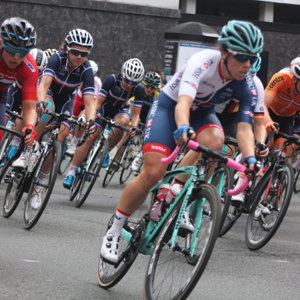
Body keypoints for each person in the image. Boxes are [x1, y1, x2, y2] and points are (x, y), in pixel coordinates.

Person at [100, 19, 264, 263]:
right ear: (226, 52)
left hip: (202, 113)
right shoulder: (203, 62)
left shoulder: (247, 81)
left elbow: (244, 126)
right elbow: (184, 102)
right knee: (153, 173)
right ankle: (115, 229)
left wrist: (250, 158)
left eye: (253, 58)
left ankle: (175, 190)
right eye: (243, 57)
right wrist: (184, 127)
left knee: (216, 140)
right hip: (170, 107)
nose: (248, 64)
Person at [13, 28, 96, 209]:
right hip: (49, 94)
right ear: (67, 49)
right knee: (48, 109)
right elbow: (44, 84)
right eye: (75, 52)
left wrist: (91, 121)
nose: (79, 57)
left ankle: (39, 186)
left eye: (84, 54)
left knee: (60, 135)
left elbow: (90, 102)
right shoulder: (57, 58)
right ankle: (27, 152)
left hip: (66, 100)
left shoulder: (87, 70)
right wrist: (41, 100)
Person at [63, 58, 145, 189]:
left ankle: (105, 152)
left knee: (123, 123)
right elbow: (98, 103)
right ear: (122, 75)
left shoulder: (139, 89)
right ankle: (71, 172)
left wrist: (134, 127)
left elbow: (135, 114)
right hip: (103, 107)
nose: (129, 85)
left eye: (133, 83)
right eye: (127, 81)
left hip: (120, 111)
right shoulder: (112, 79)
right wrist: (92, 117)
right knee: (92, 136)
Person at [0, 17, 38, 147]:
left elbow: (30, 107)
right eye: (11, 51)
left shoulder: (30, 68)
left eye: (22, 53)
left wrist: (29, 127)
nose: (16, 57)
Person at [5, 48, 48, 159]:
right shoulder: (20, 65)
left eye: (38, 71)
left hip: (27, 96)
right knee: (4, 118)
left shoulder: (39, 79)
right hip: (14, 91)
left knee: (26, 114)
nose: (35, 72)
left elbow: (34, 101)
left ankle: (15, 141)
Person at [66, 59, 102, 155]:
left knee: (82, 119)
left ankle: (75, 141)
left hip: (90, 100)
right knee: (71, 116)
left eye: (92, 75)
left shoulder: (97, 82)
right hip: (79, 97)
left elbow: (94, 100)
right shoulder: (81, 75)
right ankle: (69, 133)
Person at [264, 57, 300, 148]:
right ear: (295, 79)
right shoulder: (281, 78)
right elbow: (262, 104)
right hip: (269, 111)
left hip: (286, 119)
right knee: (263, 142)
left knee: (283, 147)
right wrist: (267, 121)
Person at [131, 71, 161, 175]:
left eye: (152, 88)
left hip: (148, 118)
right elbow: (131, 102)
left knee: (148, 136)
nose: (149, 89)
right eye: (147, 86)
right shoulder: (139, 89)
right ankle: (119, 155)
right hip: (137, 114)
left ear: (156, 88)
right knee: (128, 129)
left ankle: (140, 156)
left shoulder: (158, 96)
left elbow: (157, 113)